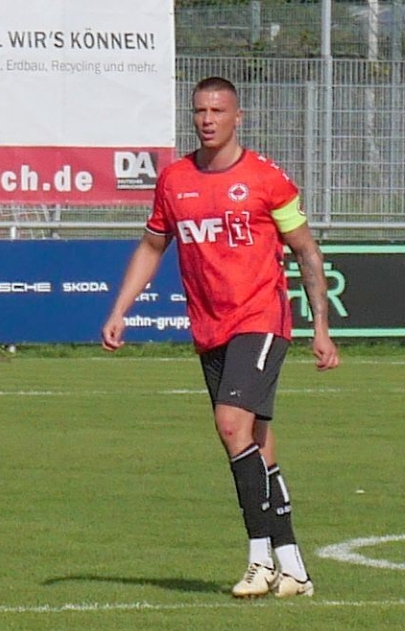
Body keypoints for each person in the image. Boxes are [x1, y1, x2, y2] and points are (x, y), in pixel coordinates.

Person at [103, 75, 339, 599]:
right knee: (254, 442)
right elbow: (152, 246)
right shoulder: (175, 180)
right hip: (210, 327)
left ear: (238, 118)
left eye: (217, 111)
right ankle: (293, 567)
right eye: (200, 111)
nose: (207, 120)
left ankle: (258, 560)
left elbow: (306, 250)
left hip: (261, 318)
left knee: (231, 424)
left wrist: (320, 327)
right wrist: (120, 309)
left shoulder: (266, 179)